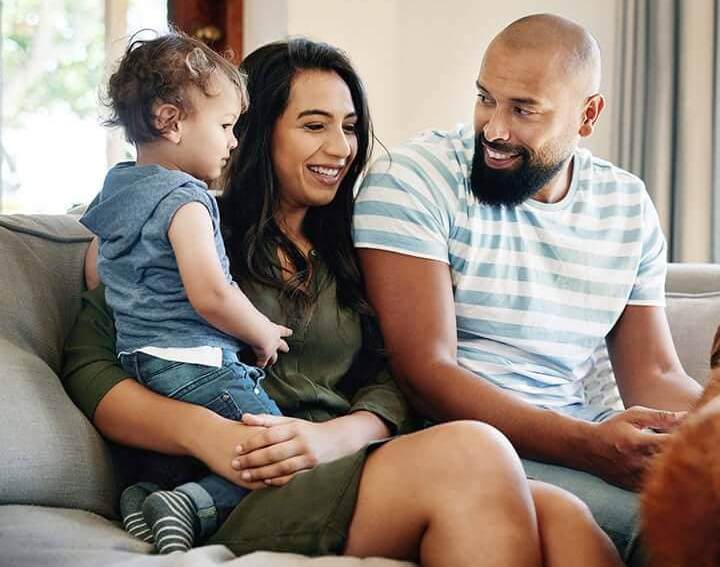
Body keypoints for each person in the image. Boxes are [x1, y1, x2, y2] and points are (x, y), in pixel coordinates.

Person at [64, 37, 623, 567]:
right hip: (236, 484)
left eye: (350, 127)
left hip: (341, 460)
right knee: (475, 452)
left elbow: (392, 374)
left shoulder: (353, 244)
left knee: (566, 518)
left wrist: (338, 435)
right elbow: (92, 367)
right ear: (256, 130)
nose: (341, 148)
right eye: (314, 125)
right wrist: (209, 436)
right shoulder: (186, 226)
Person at [353, 13, 703, 566]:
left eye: (523, 109)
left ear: (588, 116)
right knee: (676, 528)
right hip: (465, 446)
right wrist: (587, 448)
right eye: (485, 98)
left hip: (580, 436)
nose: (493, 128)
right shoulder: (413, 178)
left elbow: (653, 375)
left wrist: (705, 424)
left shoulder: (626, 205)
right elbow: (425, 376)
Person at [79, 31, 293, 554]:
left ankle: (147, 495)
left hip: (137, 361)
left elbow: (96, 276)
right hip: (196, 360)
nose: (234, 142)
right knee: (281, 448)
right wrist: (261, 331)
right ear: (170, 121)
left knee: (195, 457)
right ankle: (194, 503)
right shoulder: (186, 200)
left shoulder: (120, 189)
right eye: (224, 126)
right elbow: (211, 295)